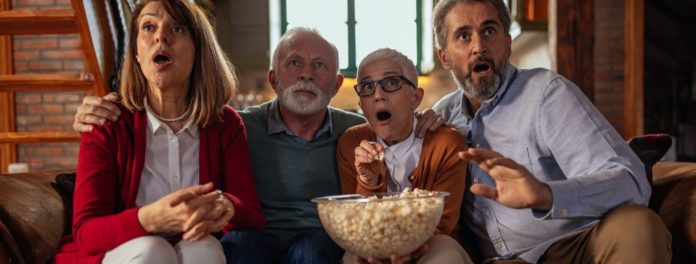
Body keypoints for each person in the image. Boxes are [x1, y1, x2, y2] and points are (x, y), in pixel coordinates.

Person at [71, 27, 445, 263]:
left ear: (335, 86)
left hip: (319, 245)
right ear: (273, 78)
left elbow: (400, 126)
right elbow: (176, 118)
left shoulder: (357, 131)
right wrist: (96, 109)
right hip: (251, 240)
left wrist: (430, 119)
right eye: (294, 63)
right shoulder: (235, 126)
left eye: (319, 66)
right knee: (239, 245)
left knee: (310, 248)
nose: (305, 74)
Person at [430, 0, 671, 263]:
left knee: (637, 225)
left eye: (489, 30)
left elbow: (630, 182)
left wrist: (548, 195)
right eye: (464, 36)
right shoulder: (440, 118)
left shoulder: (547, 94)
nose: (479, 47)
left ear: (507, 42)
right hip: (498, 260)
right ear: (445, 58)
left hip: (575, 246)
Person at [54, 0, 264, 263]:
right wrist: (149, 219)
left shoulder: (225, 123)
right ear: (137, 53)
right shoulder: (107, 121)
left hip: (193, 246)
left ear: (199, 50)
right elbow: (87, 232)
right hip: (121, 252)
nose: (160, 37)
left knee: (204, 248)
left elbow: (252, 214)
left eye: (177, 29)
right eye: (149, 27)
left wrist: (228, 206)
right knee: (154, 250)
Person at [337, 48, 472, 264]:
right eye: (367, 87)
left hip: (431, 243)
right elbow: (355, 223)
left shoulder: (447, 143)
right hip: (372, 245)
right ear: (361, 105)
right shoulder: (350, 143)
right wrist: (368, 181)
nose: (378, 95)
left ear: (416, 98)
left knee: (446, 253)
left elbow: (442, 223)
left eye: (391, 83)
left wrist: (400, 251)